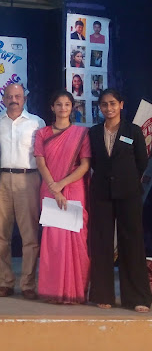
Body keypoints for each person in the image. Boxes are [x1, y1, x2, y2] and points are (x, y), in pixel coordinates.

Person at [88, 89, 151, 312]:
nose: (109, 108)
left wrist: (126, 179)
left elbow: (142, 162)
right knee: (101, 243)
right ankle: (102, 294)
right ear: (100, 107)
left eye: (113, 103)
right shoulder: (94, 132)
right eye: (104, 104)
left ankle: (137, 298)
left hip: (129, 194)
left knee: (132, 243)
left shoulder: (133, 131)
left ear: (121, 105)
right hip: (101, 194)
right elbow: (93, 162)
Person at [34, 90, 91, 304]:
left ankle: (75, 291)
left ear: (72, 107)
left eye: (67, 104)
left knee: (76, 237)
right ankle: (53, 290)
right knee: (54, 240)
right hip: (49, 189)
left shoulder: (81, 134)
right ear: (52, 107)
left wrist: (61, 184)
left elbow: (85, 165)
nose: (63, 108)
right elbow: (40, 162)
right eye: (59, 104)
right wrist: (54, 188)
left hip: (74, 188)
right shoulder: (42, 133)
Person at [0, 84, 45, 300]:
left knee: (29, 235)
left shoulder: (37, 122)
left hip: (28, 179)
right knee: (1, 234)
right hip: (1, 179)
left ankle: (28, 284)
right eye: (9, 96)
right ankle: (5, 282)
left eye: (18, 96)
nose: (13, 100)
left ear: (25, 98)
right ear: (3, 99)